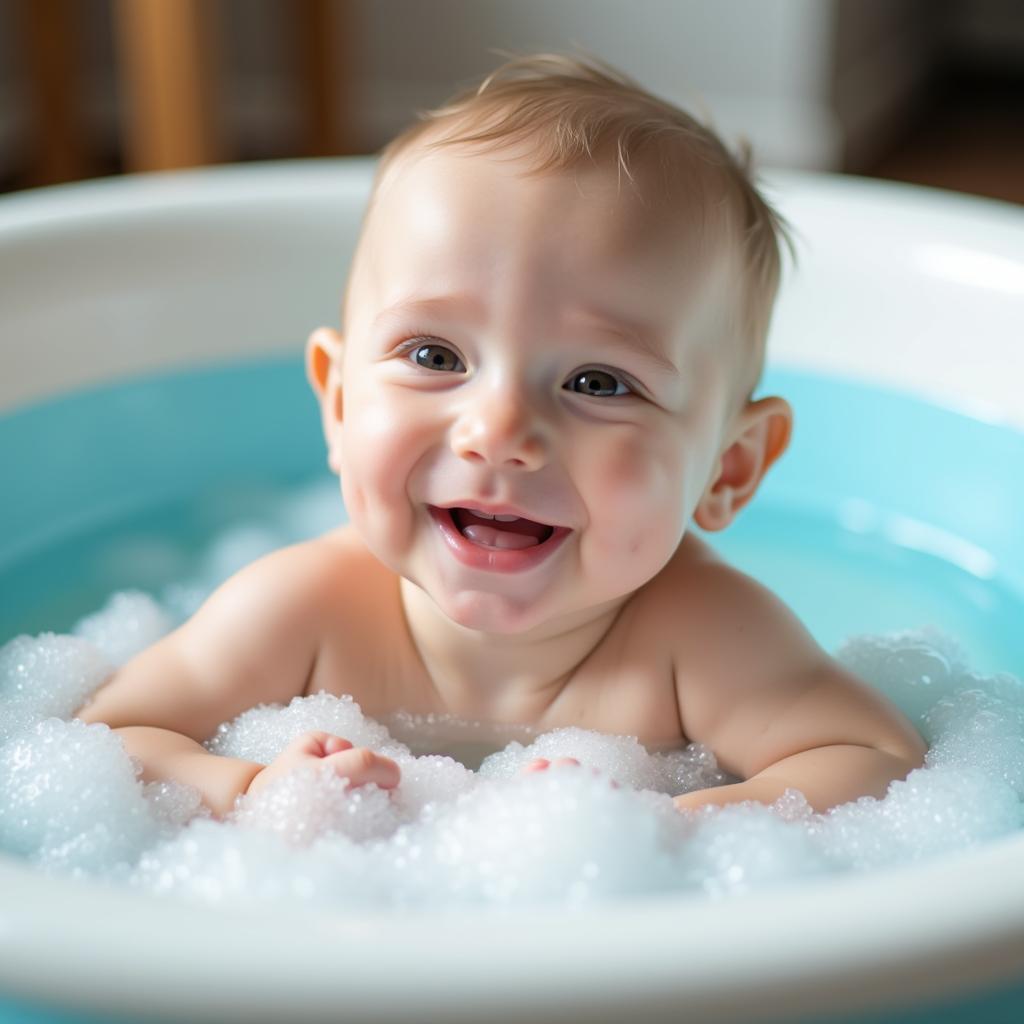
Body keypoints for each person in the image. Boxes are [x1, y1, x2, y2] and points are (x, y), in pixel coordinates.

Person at [75, 53, 926, 819]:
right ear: (339, 404)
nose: (499, 431)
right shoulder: (303, 612)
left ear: (728, 468)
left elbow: (878, 764)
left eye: (598, 382)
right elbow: (101, 745)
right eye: (435, 354)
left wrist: (670, 825)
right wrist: (251, 790)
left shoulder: (701, 635)